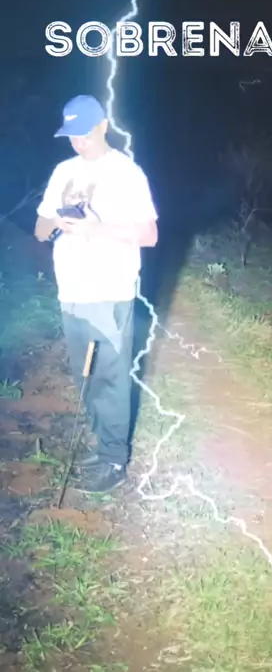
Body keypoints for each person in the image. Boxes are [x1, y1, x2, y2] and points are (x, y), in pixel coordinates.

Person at [35, 95, 158, 494]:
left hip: (109, 290)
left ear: (103, 126)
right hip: (70, 290)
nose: (78, 142)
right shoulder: (63, 172)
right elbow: (40, 228)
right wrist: (57, 220)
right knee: (85, 376)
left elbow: (149, 234)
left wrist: (95, 230)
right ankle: (103, 444)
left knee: (110, 378)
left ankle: (114, 460)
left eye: (84, 133)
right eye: (71, 135)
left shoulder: (127, 174)